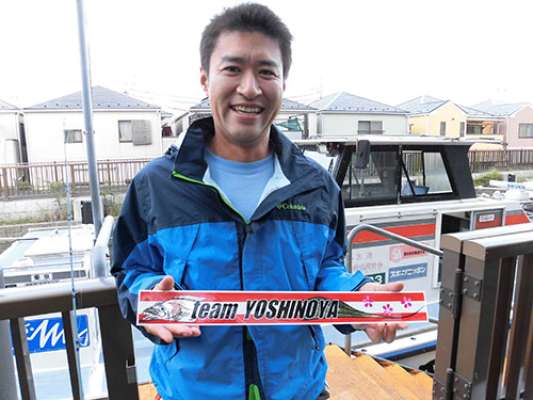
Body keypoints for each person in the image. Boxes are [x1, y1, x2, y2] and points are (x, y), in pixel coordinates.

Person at [112, 3, 404, 399]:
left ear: (283, 83)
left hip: (300, 390)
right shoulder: (157, 185)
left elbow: (325, 269)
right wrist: (150, 298)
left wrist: (359, 301)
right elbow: (130, 271)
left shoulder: (316, 185)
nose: (250, 88)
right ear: (205, 79)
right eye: (233, 68)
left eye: (267, 72)